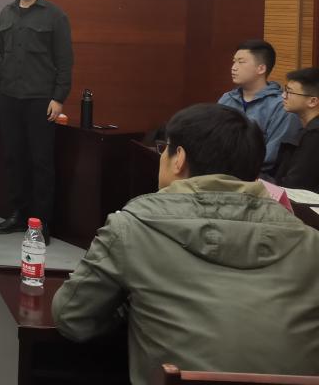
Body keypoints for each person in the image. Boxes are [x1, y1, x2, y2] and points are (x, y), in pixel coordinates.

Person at [52, 104, 319, 384]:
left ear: (178, 158)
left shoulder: (133, 228)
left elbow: (72, 317)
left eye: (164, 149)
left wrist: (131, 306)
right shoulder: (310, 242)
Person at [0, 0, 72, 243]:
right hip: (10, 97)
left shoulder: (55, 16)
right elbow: (3, 56)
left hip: (41, 99)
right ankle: (18, 214)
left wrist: (59, 98)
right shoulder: (6, 13)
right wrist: (0, 93)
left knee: (41, 161)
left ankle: (41, 223)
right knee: (14, 158)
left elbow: (65, 61)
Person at [218, 39, 298, 173]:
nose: (234, 67)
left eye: (241, 62)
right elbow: (215, 140)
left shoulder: (281, 106)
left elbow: (273, 155)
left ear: (261, 68)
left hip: (260, 176)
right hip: (221, 172)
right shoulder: (227, 99)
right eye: (234, 61)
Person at [270, 66, 319, 192]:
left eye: (289, 92)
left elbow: (295, 186)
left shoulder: (314, 136)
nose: (283, 95)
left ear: (312, 101)